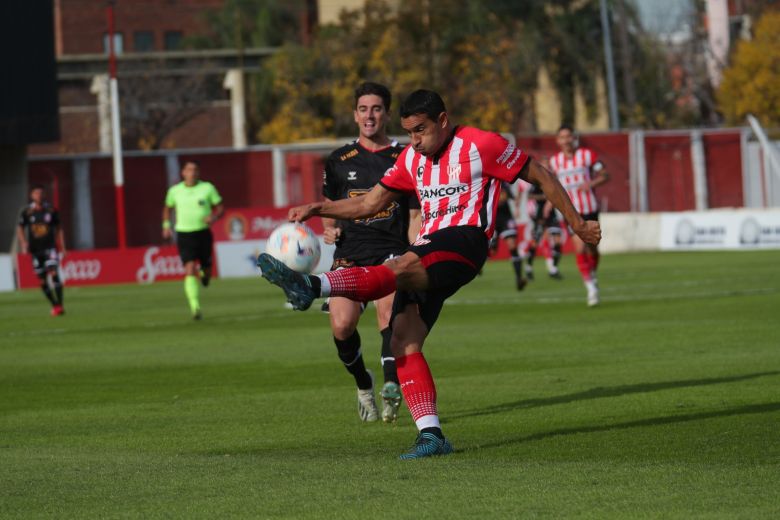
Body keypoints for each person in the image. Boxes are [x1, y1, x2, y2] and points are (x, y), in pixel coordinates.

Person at [256, 89, 601, 459]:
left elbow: (541, 175)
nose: (415, 141)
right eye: (409, 133)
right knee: (402, 338)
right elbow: (370, 202)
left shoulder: (481, 144)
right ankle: (431, 434)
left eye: (421, 130)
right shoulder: (410, 159)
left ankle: (312, 285)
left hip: (465, 241)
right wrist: (318, 207)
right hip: (430, 246)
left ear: (442, 120)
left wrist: (577, 223)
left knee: (399, 266)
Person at [320, 82, 421, 423]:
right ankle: (364, 385)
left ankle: (392, 386)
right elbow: (331, 209)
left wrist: (414, 252)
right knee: (342, 325)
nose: (369, 115)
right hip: (350, 254)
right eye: (363, 109)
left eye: (376, 108)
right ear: (355, 114)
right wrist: (329, 228)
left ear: (388, 114)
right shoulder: (338, 160)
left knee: (388, 312)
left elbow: (414, 213)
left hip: (390, 252)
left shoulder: (405, 157)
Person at [547, 124, 609, 306]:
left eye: (569, 136)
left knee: (592, 247)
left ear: (574, 138)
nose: (566, 140)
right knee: (579, 248)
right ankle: (590, 287)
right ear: (558, 141)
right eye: (562, 137)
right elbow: (552, 187)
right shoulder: (554, 162)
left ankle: (593, 273)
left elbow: (605, 175)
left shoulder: (587, 156)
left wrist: (590, 184)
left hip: (589, 207)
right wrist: (549, 204)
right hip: (570, 211)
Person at [162, 160, 224, 320]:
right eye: (189, 170)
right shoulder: (175, 191)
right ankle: (195, 307)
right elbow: (167, 208)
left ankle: (205, 273)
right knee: (189, 267)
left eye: (195, 170)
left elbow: (220, 207)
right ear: (183, 173)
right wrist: (166, 225)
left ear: (198, 172)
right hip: (184, 234)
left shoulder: (207, 188)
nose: (192, 173)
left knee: (207, 271)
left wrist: (214, 216)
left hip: (203, 233)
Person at [17, 185, 67, 316]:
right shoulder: (27, 212)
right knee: (42, 280)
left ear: (44, 194)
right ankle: (55, 304)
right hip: (35, 250)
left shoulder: (51, 210)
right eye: (36, 193)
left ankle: (60, 305)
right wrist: (23, 242)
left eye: (40, 193)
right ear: (32, 196)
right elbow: (20, 228)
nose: (38, 195)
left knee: (53, 272)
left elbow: (59, 228)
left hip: (50, 247)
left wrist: (62, 246)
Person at [488, 182, 527, 290]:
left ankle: (519, 278)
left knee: (512, 246)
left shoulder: (503, 182)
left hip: (506, 218)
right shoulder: (484, 181)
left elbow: (507, 197)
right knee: (492, 251)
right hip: (492, 219)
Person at [523, 183, 564, 281]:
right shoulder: (537, 183)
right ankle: (529, 267)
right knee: (535, 243)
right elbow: (529, 195)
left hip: (552, 215)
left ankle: (553, 268)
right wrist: (543, 197)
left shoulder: (552, 182)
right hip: (540, 216)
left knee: (558, 241)